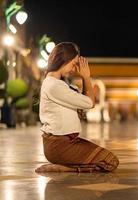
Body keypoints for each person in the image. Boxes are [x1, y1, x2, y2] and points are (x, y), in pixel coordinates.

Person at [35, 42, 119, 173]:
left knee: (108, 159)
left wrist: (85, 79)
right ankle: (66, 168)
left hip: (64, 143)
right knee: (110, 162)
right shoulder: (54, 86)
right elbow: (90, 103)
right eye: (73, 64)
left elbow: (84, 102)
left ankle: (68, 166)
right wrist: (86, 77)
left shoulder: (58, 84)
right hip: (59, 146)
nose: (74, 69)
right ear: (63, 60)